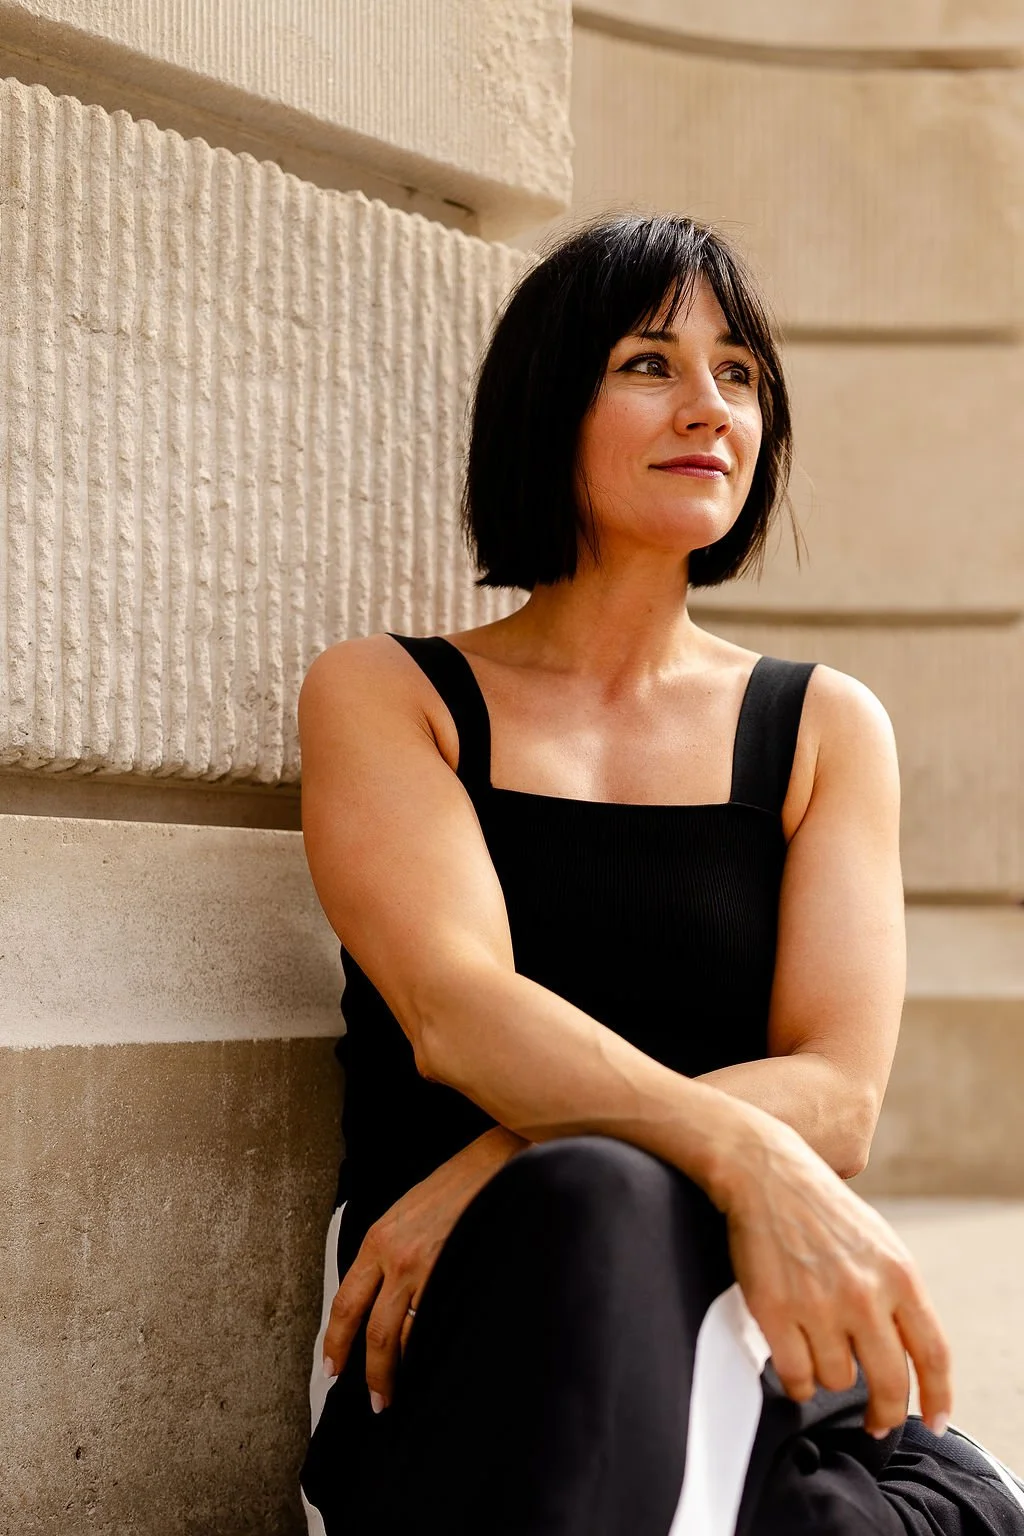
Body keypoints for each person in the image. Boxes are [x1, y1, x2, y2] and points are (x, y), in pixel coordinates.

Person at [296, 214, 1024, 1535]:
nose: (709, 407)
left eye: (739, 373)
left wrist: (510, 1145)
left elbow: (840, 1097)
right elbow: (457, 1010)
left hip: (745, 1343)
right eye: (650, 363)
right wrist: (721, 1149)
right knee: (584, 1204)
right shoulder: (393, 695)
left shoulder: (823, 727)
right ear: (548, 405)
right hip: (462, 1341)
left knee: (594, 1186)